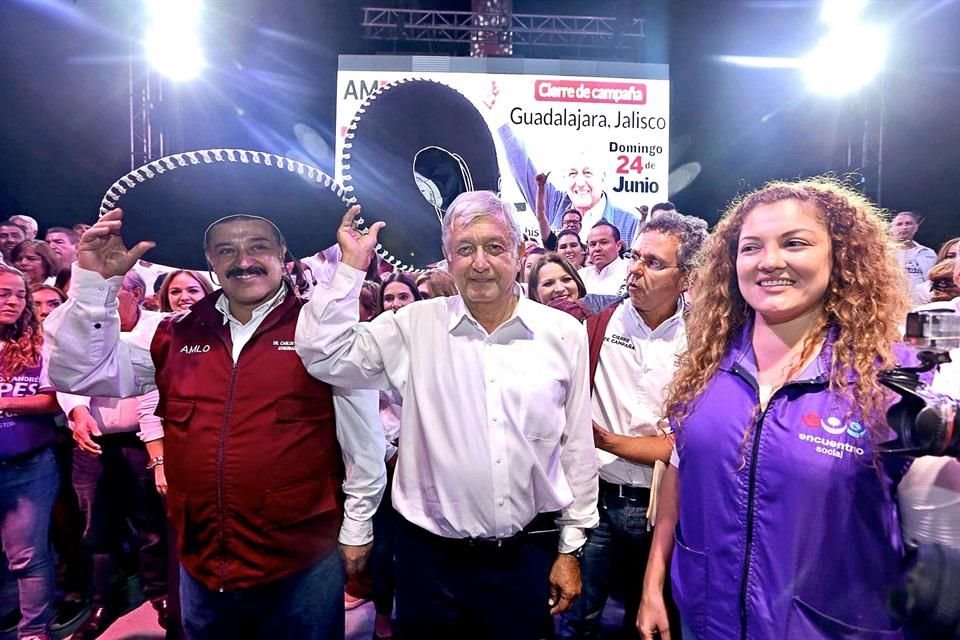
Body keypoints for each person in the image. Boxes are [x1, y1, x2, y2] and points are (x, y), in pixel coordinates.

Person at [44, 209, 387, 639]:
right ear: (209, 259)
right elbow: (79, 373)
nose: (244, 260)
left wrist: (358, 523)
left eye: (259, 245)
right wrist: (96, 283)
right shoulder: (172, 334)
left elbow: (363, 438)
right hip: (201, 559)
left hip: (301, 559)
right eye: (227, 249)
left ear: (283, 253)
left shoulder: (320, 335)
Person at [296, 191, 599, 639]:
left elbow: (575, 445)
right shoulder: (413, 326)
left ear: (518, 255)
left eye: (494, 247)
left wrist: (571, 548)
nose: (480, 263)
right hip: (428, 564)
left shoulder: (563, 334)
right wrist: (351, 268)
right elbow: (324, 354)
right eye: (465, 249)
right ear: (447, 258)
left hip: (524, 557)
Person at [636, 178, 912, 640]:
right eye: (751, 247)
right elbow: (681, 475)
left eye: (795, 243)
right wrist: (652, 585)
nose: (770, 261)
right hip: (709, 625)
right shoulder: (705, 368)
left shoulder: (891, 383)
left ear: (839, 255)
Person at [559, 211, 706, 640]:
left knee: (652, 624)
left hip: (665, 508)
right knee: (577, 616)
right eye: (635, 257)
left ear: (688, 277)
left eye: (654, 263)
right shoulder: (596, 326)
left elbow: (688, 444)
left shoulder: (704, 338)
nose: (636, 270)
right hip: (595, 502)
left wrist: (605, 439)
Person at [56, 271, 170, 639]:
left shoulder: (161, 327)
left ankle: (160, 594)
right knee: (97, 528)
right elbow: (61, 376)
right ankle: (104, 599)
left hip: (146, 442)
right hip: (94, 442)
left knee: (152, 524)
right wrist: (76, 410)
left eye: (111, 291)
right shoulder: (78, 328)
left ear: (136, 294)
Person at [0, 265, 62, 639]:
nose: (12, 301)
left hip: (29, 464)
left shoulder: (39, 342)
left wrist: (4, 401)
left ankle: (34, 632)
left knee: (28, 557)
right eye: (3, 293)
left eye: (18, 294)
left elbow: (54, 401)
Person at [498, 125, 641, 246]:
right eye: (573, 174)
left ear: (603, 177)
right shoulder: (555, 204)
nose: (579, 183)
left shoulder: (629, 224)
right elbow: (522, 167)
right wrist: (500, 119)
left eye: (588, 173)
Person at [891, 211, 937, 305]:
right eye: (899, 224)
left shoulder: (928, 253)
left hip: (920, 304)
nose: (904, 227)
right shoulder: (882, 251)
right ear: (892, 228)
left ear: (916, 227)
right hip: (891, 303)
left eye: (908, 223)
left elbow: (933, 280)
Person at [579, 222, 629, 296]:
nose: (597, 248)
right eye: (593, 244)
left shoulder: (630, 272)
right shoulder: (581, 276)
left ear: (618, 246)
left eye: (604, 242)